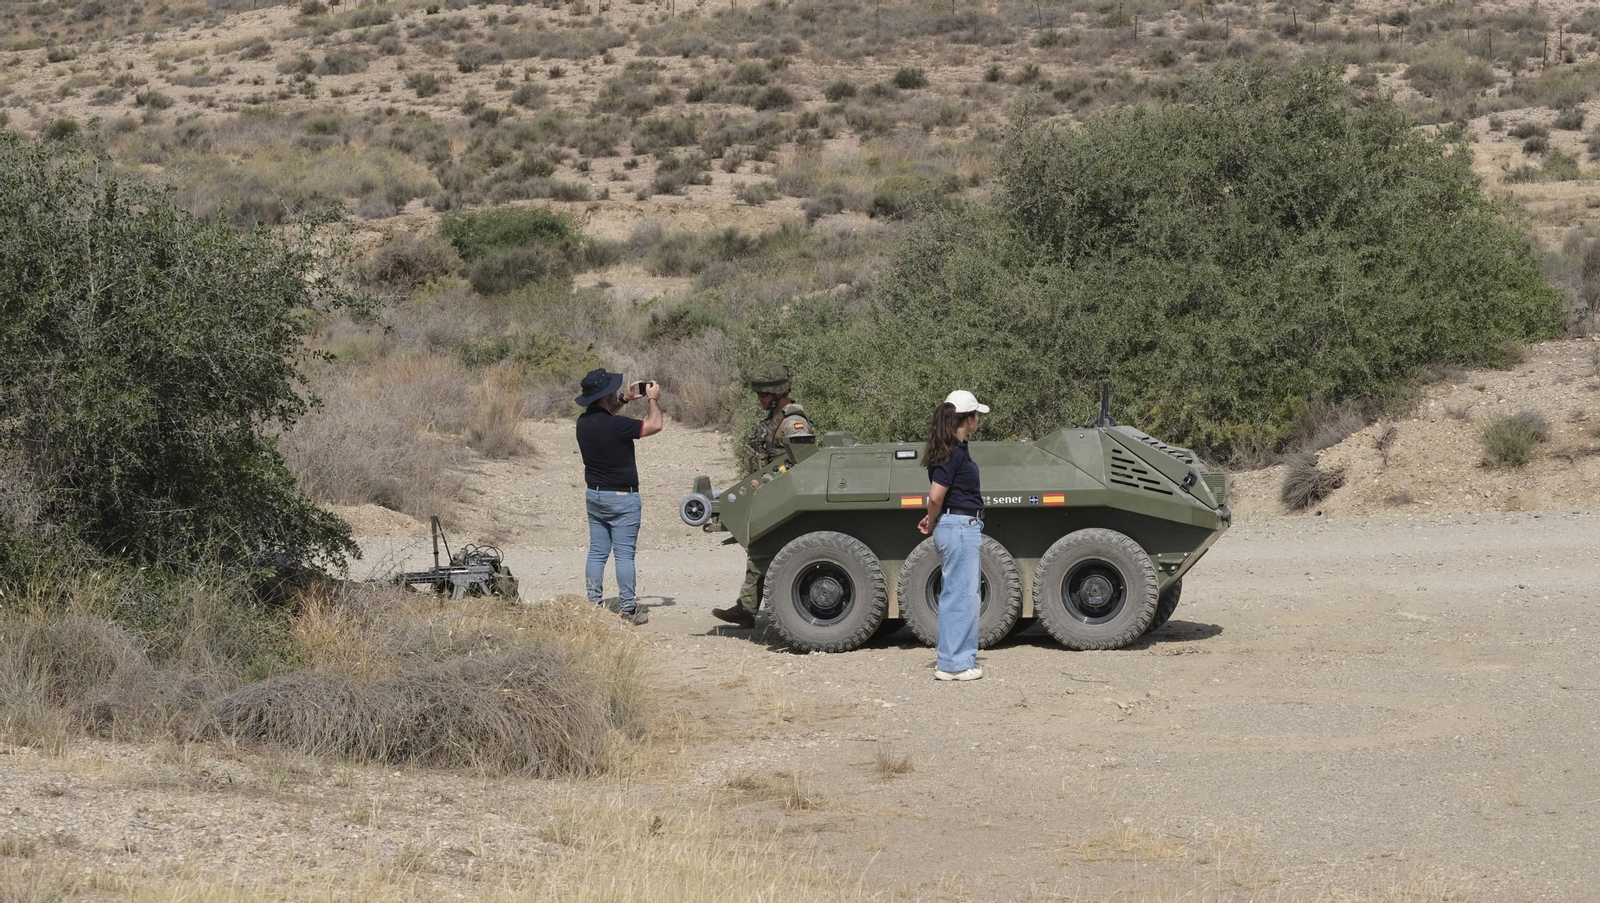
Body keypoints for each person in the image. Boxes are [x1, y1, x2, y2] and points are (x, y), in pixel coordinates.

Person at [710, 361, 814, 628]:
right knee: (761, 550)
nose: (759, 399)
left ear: (778, 392)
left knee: (763, 550)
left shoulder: (794, 423)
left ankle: (753, 610)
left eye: (764, 394)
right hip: (771, 496)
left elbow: (803, 466)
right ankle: (747, 609)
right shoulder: (775, 420)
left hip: (785, 500)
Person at [574, 367, 663, 625]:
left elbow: (606, 417)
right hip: (623, 498)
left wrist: (624, 399)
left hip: (595, 495)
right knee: (624, 555)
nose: (615, 394)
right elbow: (655, 424)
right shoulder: (616, 425)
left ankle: (594, 604)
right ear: (604, 397)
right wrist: (652, 399)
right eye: (612, 392)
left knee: (597, 552)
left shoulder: (583, 423)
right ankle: (628, 609)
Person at [917, 389, 990, 681]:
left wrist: (934, 518)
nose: (978, 421)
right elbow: (936, 496)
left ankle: (952, 660)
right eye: (976, 416)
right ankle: (955, 664)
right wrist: (934, 517)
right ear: (968, 419)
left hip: (956, 524)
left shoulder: (952, 449)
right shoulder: (952, 452)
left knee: (957, 594)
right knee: (962, 596)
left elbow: (941, 500)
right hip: (960, 527)